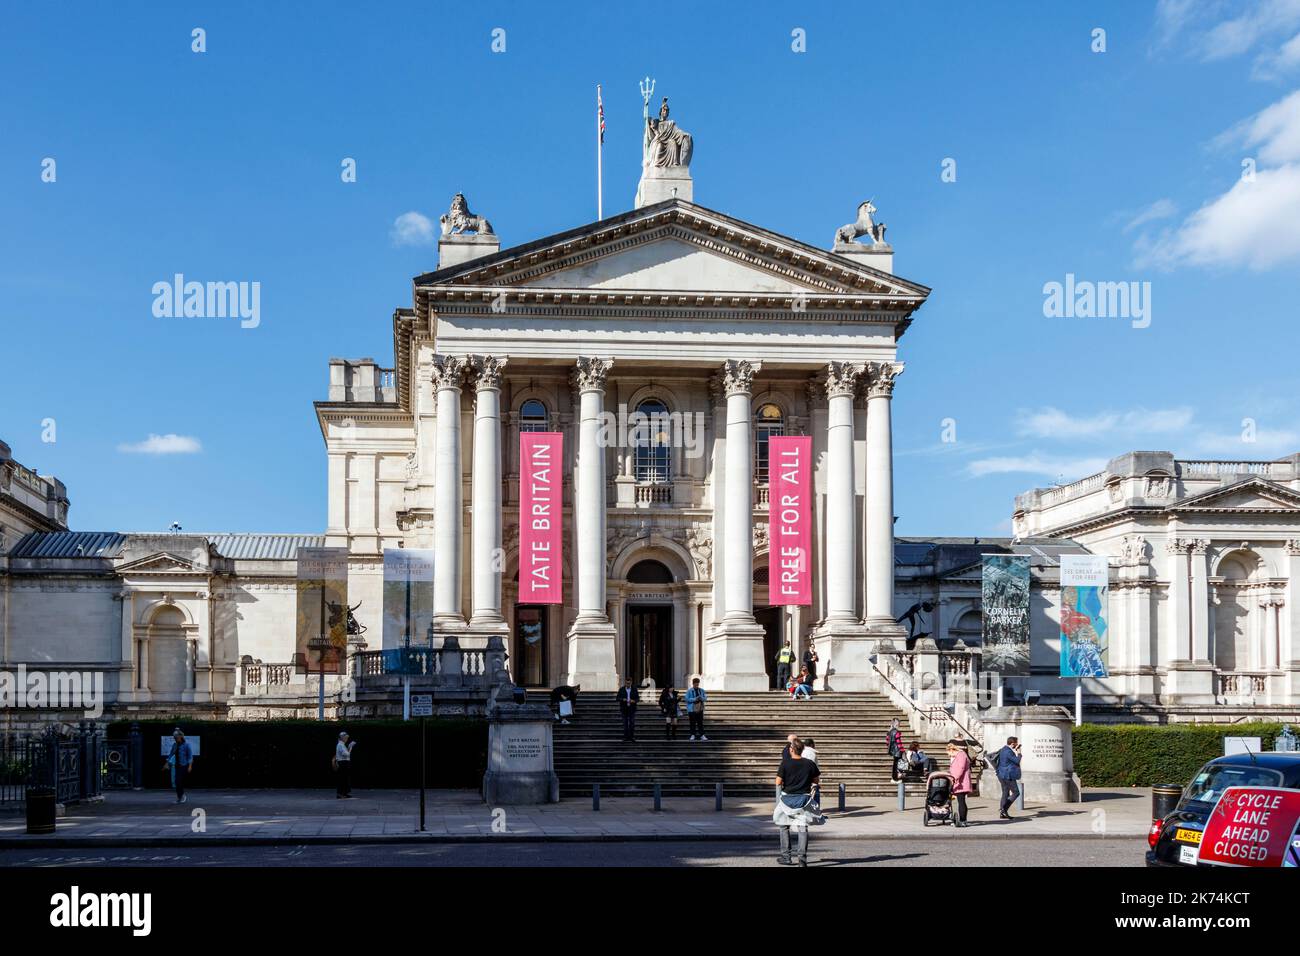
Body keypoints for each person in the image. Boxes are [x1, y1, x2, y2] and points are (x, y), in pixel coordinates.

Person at [773, 736, 821, 866]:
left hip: (787, 799)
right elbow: (816, 780)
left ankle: (786, 856)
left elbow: (778, 782)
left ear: (791, 750)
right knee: (802, 828)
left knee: (783, 826)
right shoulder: (809, 764)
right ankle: (802, 859)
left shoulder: (785, 763)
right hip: (804, 799)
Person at [163, 729, 193, 804]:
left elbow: (190, 756)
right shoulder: (175, 745)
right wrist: (166, 763)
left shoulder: (186, 745)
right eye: (174, 737)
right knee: (177, 782)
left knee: (179, 781)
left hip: (184, 765)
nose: (175, 738)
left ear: (180, 736)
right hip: (177, 765)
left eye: (176, 737)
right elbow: (171, 754)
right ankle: (180, 797)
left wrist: (190, 766)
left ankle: (182, 796)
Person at [995, 736, 1023, 819]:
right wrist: (1019, 752)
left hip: (1001, 774)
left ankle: (1002, 813)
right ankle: (1003, 810)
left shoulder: (1003, 749)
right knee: (1016, 792)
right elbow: (1017, 760)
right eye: (1016, 743)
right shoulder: (1008, 752)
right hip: (1007, 775)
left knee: (1005, 792)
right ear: (1012, 743)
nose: (1017, 745)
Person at [946, 740, 973, 827]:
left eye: (949, 753)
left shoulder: (961, 755)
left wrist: (955, 778)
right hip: (959, 782)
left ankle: (963, 820)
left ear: (952, 750)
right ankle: (962, 820)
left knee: (961, 801)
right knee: (960, 801)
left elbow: (961, 768)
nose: (949, 755)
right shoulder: (958, 755)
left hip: (961, 782)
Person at [334, 731, 356, 798]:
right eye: (346, 738)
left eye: (347, 738)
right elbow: (346, 754)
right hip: (343, 763)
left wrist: (349, 747)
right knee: (342, 779)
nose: (347, 739)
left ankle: (344, 793)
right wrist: (350, 747)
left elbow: (346, 754)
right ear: (342, 738)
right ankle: (340, 794)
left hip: (344, 763)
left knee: (345, 779)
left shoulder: (342, 744)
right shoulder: (340, 745)